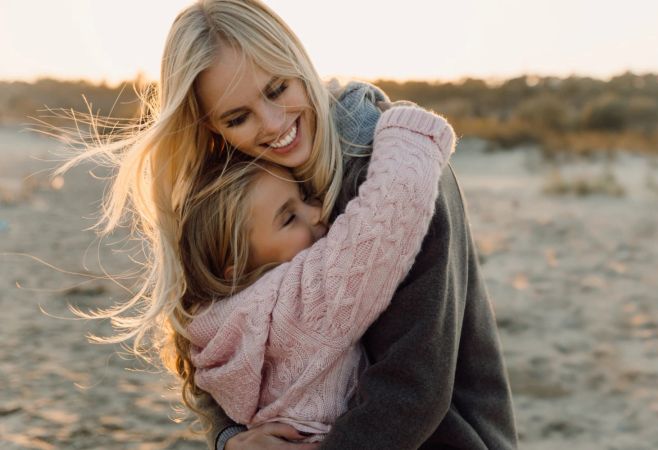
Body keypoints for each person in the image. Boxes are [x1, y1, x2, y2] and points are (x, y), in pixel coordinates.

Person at [62, 0, 517, 448]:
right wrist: (231, 438)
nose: (273, 124)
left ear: (297, 60)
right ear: (212, 129)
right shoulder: (237, 189)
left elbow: (413, 386)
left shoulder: (403, 174)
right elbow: (214, 338)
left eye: (277, 89)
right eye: (237, 118)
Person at [180, 103, 454, 444]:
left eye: (305, 197)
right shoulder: (297, 303)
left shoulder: (211, 329)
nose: (317, 212)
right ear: (235, 268)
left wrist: (226, 438)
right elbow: (391, 208)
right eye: (288, 217)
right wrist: (405, 127)